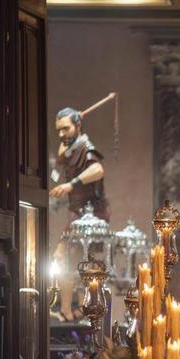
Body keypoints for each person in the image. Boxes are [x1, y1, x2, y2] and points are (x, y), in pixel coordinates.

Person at [50, 107, 109, 321]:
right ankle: (68, 308)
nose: (61, 134)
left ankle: (81, 308)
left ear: (77, 126)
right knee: (67, 259)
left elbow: (98, 170)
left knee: (78, 260)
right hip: (76, 213)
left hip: (91, 215)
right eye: (58, 130)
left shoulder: (86, 148)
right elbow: (58, 162)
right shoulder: (71, 149)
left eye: (65, 129)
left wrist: (71, 185)